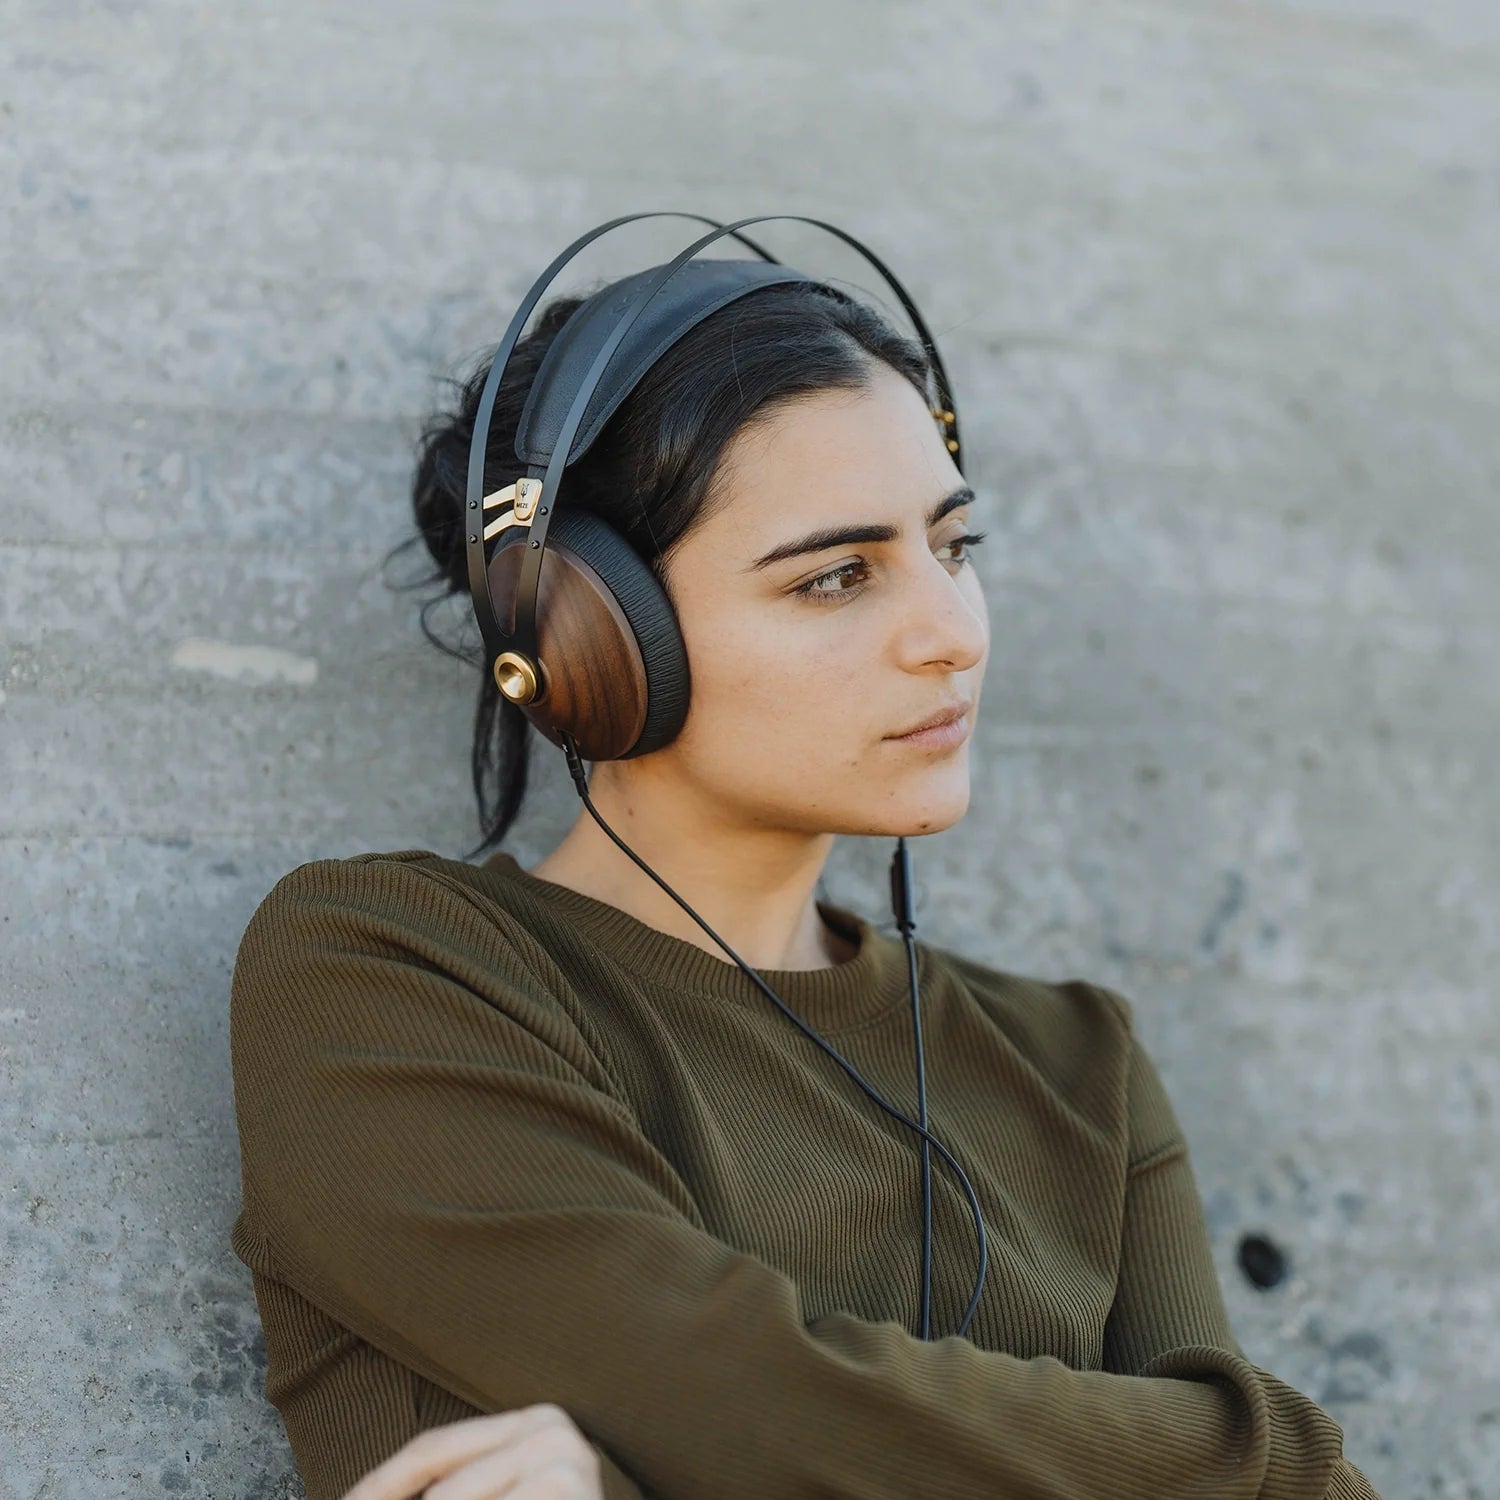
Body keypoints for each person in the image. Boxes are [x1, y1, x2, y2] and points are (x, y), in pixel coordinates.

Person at [228, 266, 1384, 1500]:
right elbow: (734, 1394)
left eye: (954, 546)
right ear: (589, 634)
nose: (953, 633)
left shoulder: (1074, 1061)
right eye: (835, 576)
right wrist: (1254, 1450)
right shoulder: (389, 974)